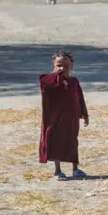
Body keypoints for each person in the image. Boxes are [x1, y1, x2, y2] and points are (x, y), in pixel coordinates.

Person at [40, 49, 88, 180]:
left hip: (71, 118)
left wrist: (84, 114)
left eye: (66, 66)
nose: (62, 68)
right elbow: (45, 87)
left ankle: (75, 168)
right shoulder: (47, 80)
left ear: (71, 66)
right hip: (54, 119)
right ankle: (58, 170)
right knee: (56, 142)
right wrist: (55, 76)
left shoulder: (74, 81)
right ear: (53, 65)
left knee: (72, 142)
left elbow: (80, 98)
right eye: (59, 65)